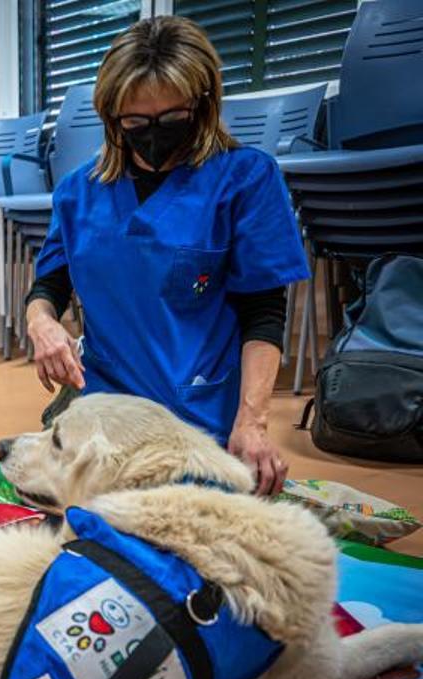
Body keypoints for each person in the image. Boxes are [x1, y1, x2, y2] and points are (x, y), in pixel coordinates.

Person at [24, 16, 308, 496]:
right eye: (135, 122)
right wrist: (42, 324)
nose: (153, 134)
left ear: (202, 106)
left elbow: (264, 312)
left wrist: (253, 422)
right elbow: (48, 287)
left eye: (171, 119)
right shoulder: (78, 192)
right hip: (103, 414)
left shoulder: (245, 179)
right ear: (112, 117)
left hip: (196, 419)